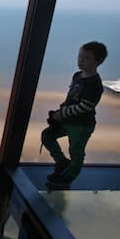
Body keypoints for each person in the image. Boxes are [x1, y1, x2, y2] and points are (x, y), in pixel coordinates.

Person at [41, 41, 107, 189]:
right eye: (80, 57)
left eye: (87, 58)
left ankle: (67, 178)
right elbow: (71, 98)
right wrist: (60, 113)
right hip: (68, 120)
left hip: (82, 125)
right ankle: (62, 162)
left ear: (99, 61)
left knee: (76, 152)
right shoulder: (77, 76)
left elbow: (85, 106)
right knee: (47, 136)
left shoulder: (94, 84)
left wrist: (62, 113)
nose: (81, 60)